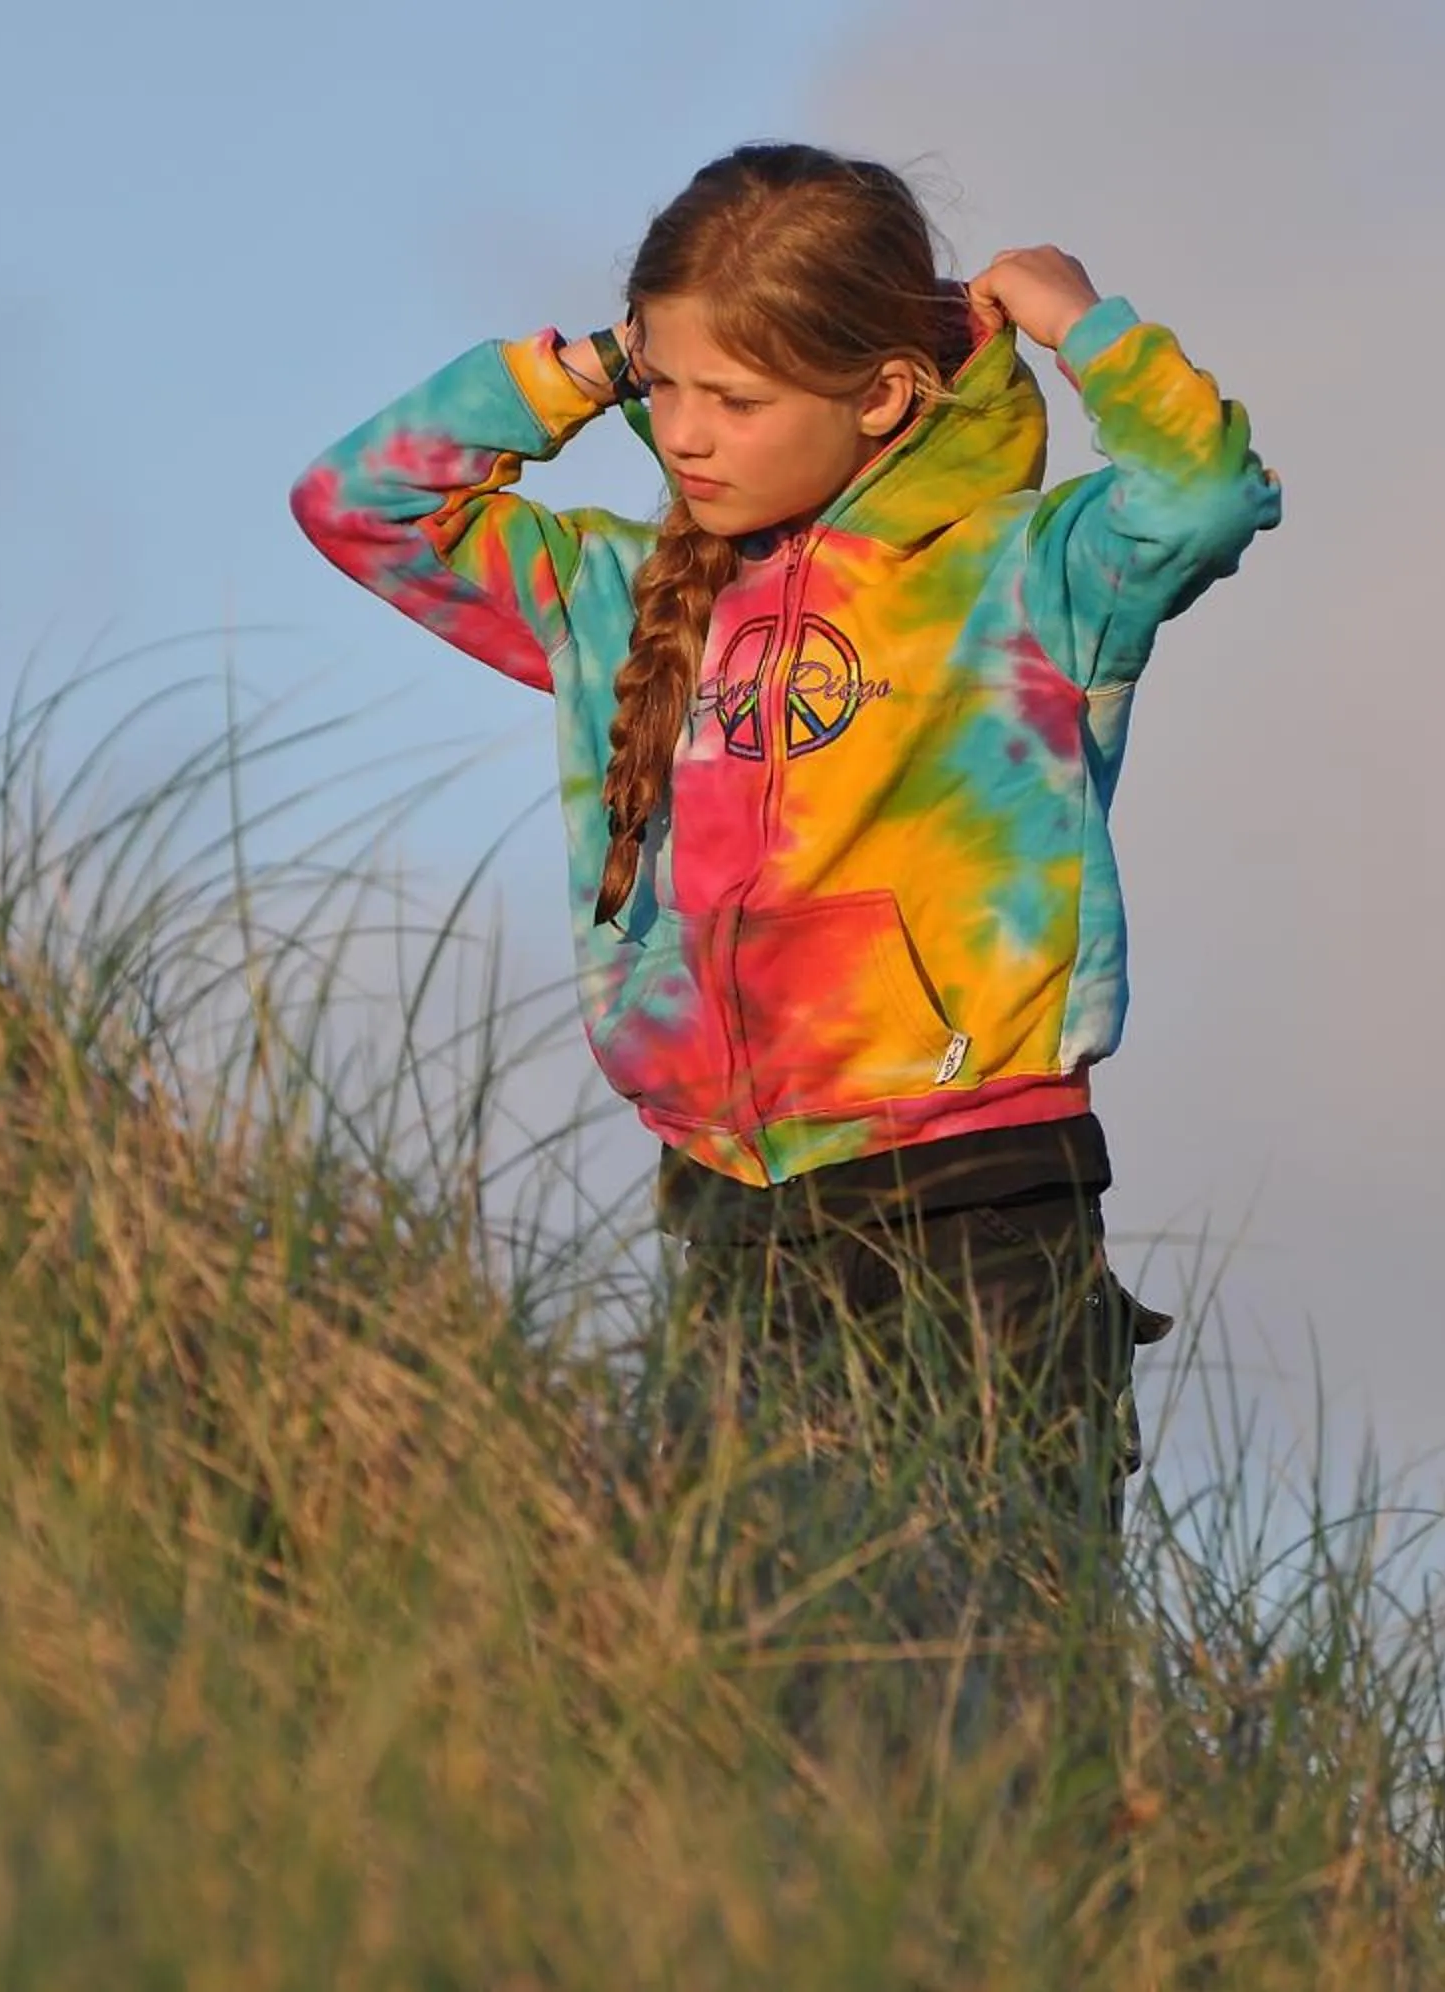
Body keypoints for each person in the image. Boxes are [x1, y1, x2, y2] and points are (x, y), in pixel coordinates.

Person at [290, 142, 1280, 1532]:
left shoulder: (1028, 574)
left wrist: (1082, 326)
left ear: (881, 394)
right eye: (672, 389)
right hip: (728, 1205)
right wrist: (590, 365)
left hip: (975, 1198)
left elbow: (1207, 495)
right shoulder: (615, 594)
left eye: (738, 399)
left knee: (1000, 1630)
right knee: (764, 1640)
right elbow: (362, 504)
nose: (687, 434)